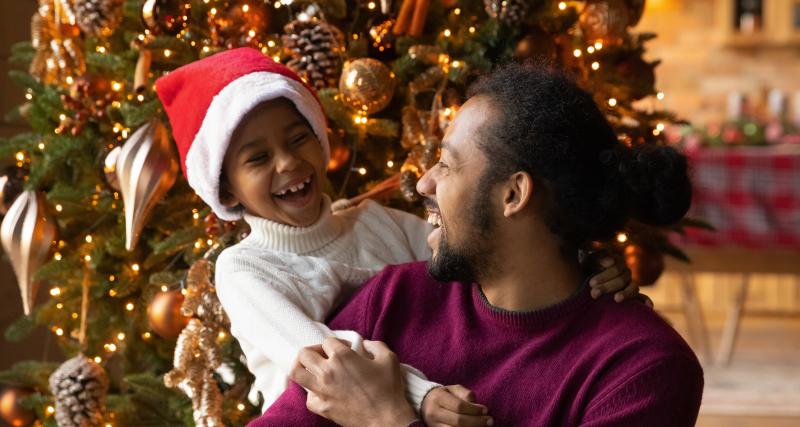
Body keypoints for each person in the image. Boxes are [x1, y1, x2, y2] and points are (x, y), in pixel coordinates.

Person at [251, 62, 704, 427]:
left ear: (513, 194)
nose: (423, 181)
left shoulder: (642, 370)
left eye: (446, 165)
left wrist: (384, 419)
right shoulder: (393, 299)